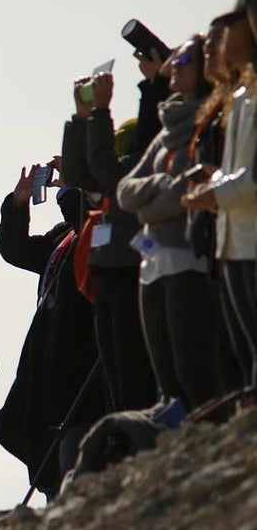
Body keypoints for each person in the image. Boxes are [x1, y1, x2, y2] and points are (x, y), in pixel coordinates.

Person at [118, 36, 223, 412]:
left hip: (187, 257)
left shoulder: (209, 123)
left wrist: (153, 203)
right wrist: (162, 187)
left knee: (191, 366)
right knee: (164, 373)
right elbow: (126, 192)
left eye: (184, 62)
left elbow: (192, 188)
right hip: (152, 264)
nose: (174, 68)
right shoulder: (165, 133)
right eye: (173, 62)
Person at [0, 165, 104, 498]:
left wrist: (70, 191)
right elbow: (16, 249)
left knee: (72, 440)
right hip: (49, 353)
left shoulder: (98, 224)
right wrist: (17, 204)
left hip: (81, 353)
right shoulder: (63, 233)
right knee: (45, 441)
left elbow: (88, 222)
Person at [61, 70, 159, 412]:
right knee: (116, 375)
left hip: (131, 272)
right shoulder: (113, 174)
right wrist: (81, 118)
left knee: (133, 373)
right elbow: (76, 176)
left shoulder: (137, 168)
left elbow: (103, 168)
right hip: (106, 274)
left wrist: (100, 112)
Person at [185, 7, 257, 387]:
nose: (221, 43)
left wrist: (215, 191)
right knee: (240, 356)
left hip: (248, 240)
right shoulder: (241, 95)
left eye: (229, 33)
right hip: (230, 241)